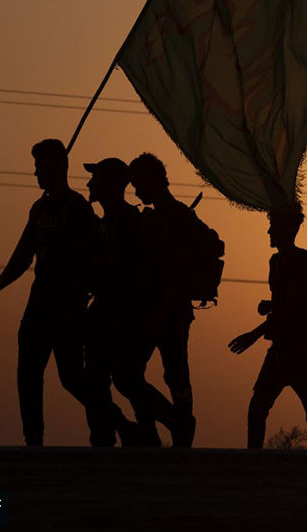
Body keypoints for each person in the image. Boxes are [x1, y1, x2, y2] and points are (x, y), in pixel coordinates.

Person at [0, 138, 99, 446]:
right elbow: (22, 255)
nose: (37, 174)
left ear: (60, 166)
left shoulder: (78, 209)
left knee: (71, 378)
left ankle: (116, 423)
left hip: (67, 306)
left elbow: (91, 261)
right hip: (39, 304)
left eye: (42, 167)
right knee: (28, 374)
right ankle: (33, 439)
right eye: (36, 167)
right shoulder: (38, 209)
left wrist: (78, 301)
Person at [229, 205, 307, 450]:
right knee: (257, 410)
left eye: (274, 226)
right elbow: (285, 303)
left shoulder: (302, 263)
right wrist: (270, 305)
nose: (269, 231)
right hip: (280, 350)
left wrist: (253, 334)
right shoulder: (277, 261)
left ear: (289, 229)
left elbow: (291, 308)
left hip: (299, 353)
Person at [83, 156, 173, 447]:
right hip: (107, 309)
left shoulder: (128, 220)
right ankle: (117, 434)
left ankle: (170, 422)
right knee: (104, 377)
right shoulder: (104, 222)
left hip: (123, 312)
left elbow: (135, 272)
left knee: (123, 377)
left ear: (111, 184)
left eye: (96, 178)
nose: (89, 183)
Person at [129, 153, 198, 447]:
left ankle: (179, 427)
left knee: (175, 374)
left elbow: (181, 271)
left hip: (171, 311)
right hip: (151, 309)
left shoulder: (179, 217)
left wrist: (164, 309)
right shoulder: (154, 217)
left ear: (153, 180)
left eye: (139, 183)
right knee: (129, 372)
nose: (136, 191)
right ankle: (167, 425)